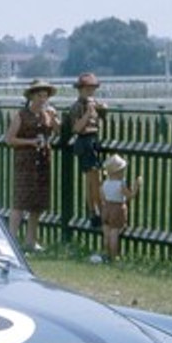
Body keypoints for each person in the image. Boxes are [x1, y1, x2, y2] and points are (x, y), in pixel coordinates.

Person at [5, 79, 59, 252]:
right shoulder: (22, 115)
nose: (42, 99)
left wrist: (54, 118)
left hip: (42, 162)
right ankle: (12, 239)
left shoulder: (47, 115)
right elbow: (10, 139)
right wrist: (30, 142)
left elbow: (58, 131)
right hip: (25, 162)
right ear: (32, 97)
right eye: (39, 96)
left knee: (37, 204)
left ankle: (30, 240)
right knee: (20, 202)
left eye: (45, 96)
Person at [65, 72, 108, 228]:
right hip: (84, 141)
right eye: (88, 88)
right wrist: (89, 113)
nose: (91, 92)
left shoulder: (94, 103)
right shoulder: (77, 107)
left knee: (94, 180)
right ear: (80, 89)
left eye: (93, 88)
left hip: (93, 140)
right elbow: (76, 128)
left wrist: (101, 110)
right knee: (93, 180)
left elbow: (100, 119)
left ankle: (94, 212)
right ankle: (96, 211)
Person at [98, 153, 141, 262]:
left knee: (106, 234)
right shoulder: (120, 184)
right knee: (114, 234)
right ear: (118, 172)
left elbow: (102, 196)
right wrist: (136, 187)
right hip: (117, 209)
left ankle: (106, 253)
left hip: (106, 208)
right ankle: (114, 256)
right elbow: (129, 196)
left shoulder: (105, 184)